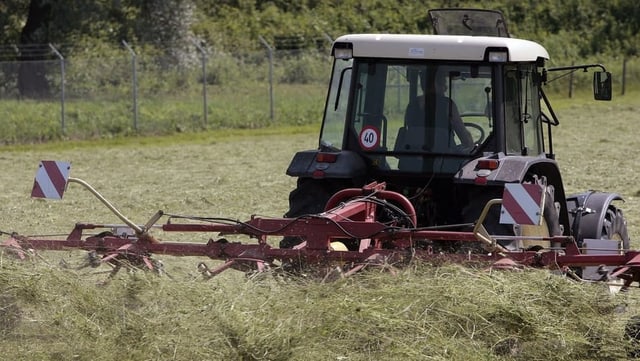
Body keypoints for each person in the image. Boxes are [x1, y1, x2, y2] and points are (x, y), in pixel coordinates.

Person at [404, 72, 474, 151]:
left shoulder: (412, 105)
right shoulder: (447, 104)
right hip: (443, 160)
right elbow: (463, 135)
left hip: (413, 158)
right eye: (443, 83)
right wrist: (471, 146)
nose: (446, 88)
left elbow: (412, 133)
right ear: (434, 84)